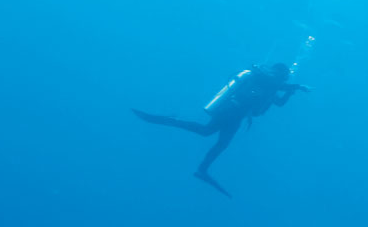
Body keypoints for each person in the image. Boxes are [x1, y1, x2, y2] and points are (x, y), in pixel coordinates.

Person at [132, 62, 308, 197]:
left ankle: (202, 169)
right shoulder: (262, 78)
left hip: (238, 116)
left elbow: (279, 103)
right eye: (282, 76)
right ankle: (167, 120)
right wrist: (295, 87)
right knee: (206, 131)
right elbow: (272, 84)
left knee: (219, 142)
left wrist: (290, 92)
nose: (282, 79)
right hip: (231, 109)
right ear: (278, 73)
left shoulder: (272, 85)